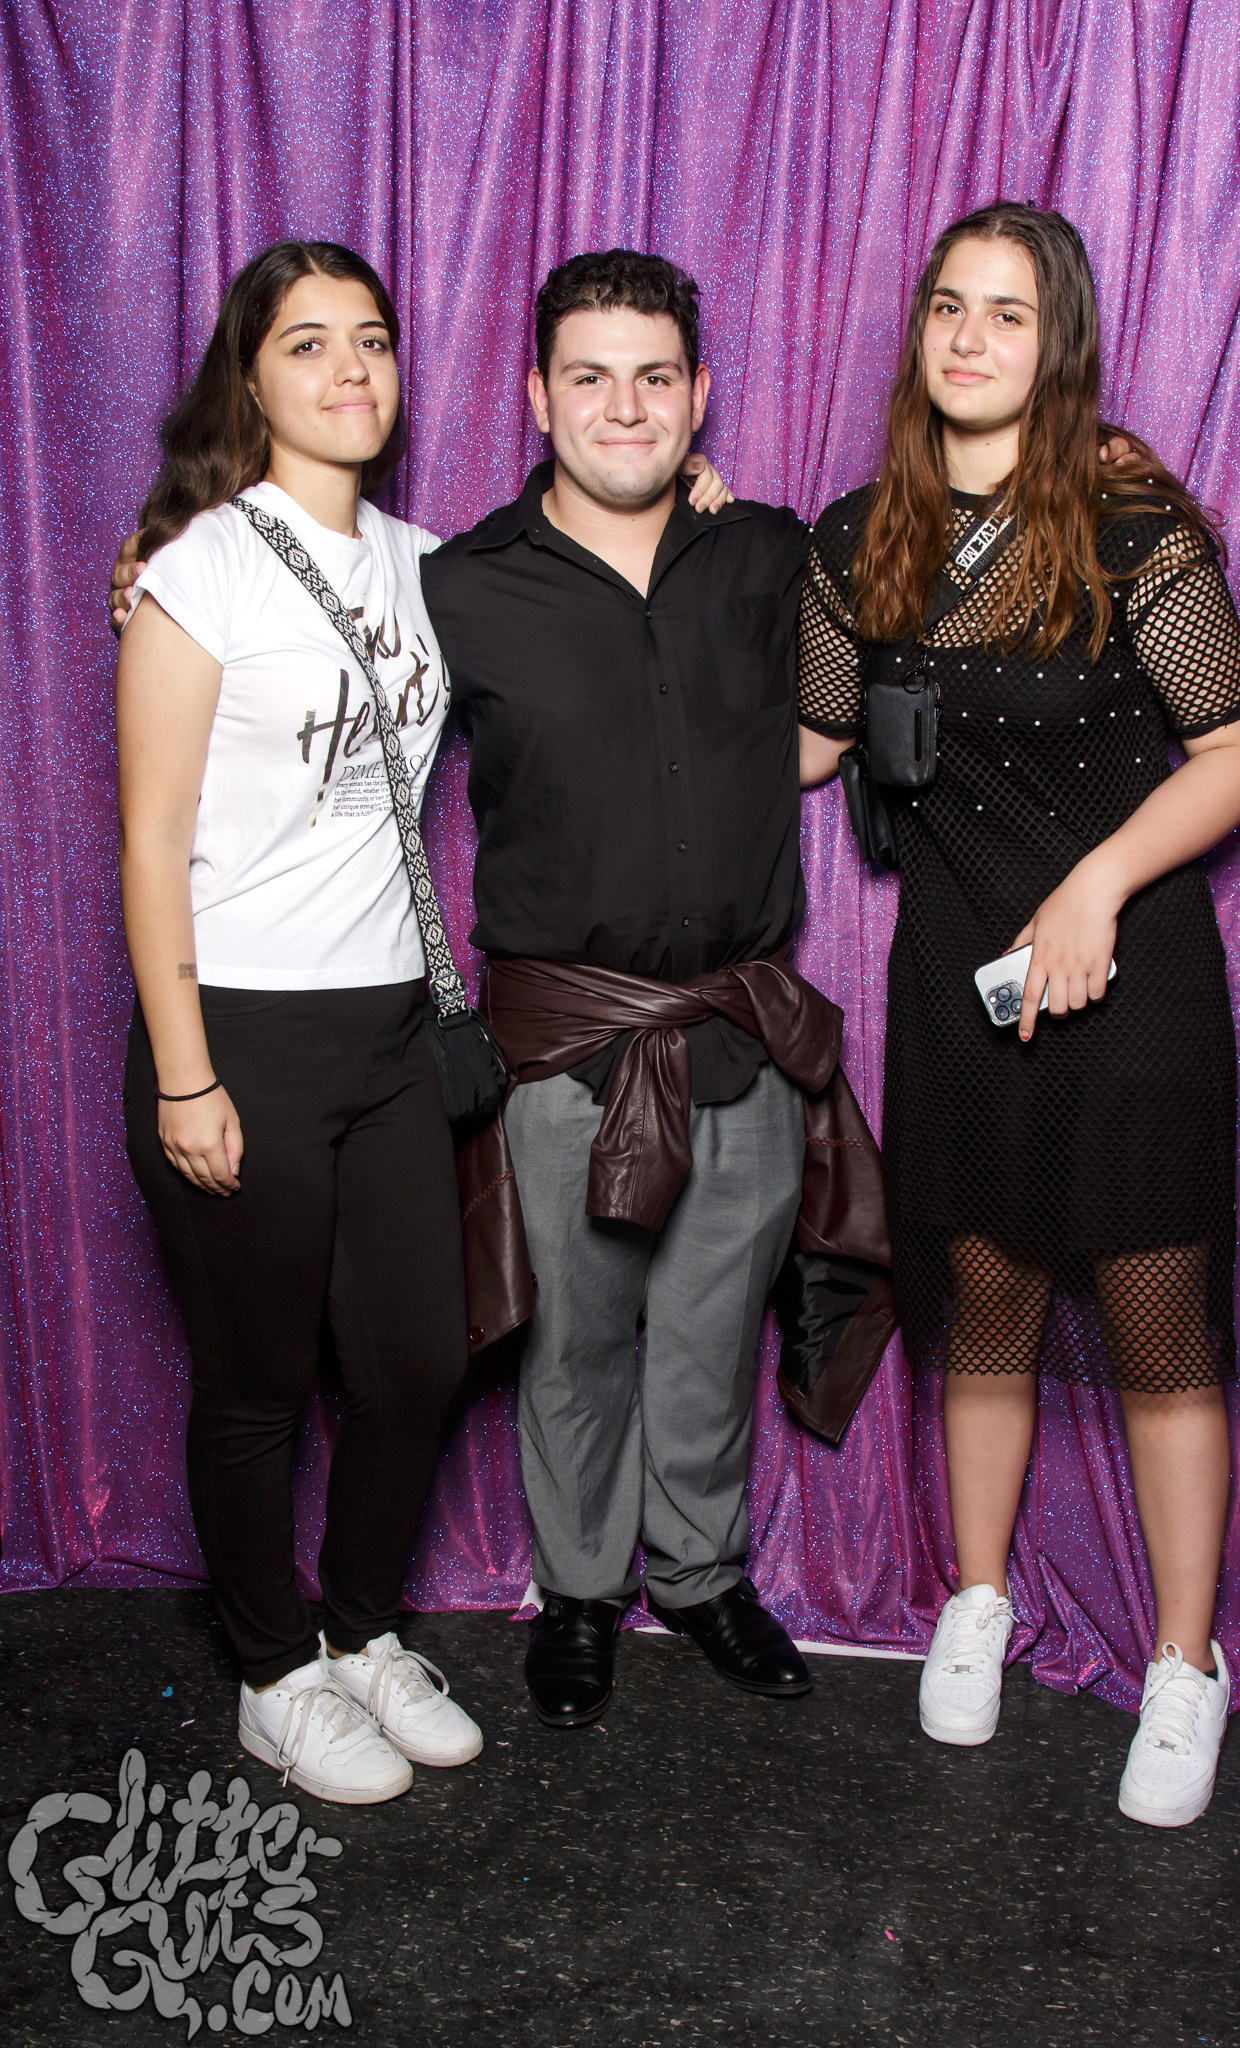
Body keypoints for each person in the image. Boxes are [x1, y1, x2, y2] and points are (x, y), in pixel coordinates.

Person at [109, 243, 735, 1782]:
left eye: (372, 340)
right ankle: (271, 1670)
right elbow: (148, 836)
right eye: (307, 343)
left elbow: (581, 583)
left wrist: (695, 502)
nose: (348, 370)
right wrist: (184, 1074)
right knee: (258, 1384)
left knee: (413, 1364)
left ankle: (358, 1630)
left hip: (395, 1030)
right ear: (249, 377)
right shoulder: (198, 569)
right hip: (239, 1029)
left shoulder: (429, 565)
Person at [797, 203, 1240, 1828]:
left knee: (1157, 1325)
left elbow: (1235, 753)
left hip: (1127, 983)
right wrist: (696, 542)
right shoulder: (859, 538)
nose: (970, 337)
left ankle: (1185, 1663)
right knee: (984, 1306)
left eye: (1007, 312)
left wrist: (1097, 884)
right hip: (959, 985)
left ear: (1056, 341)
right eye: (949, 305)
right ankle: (976, 1600)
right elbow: (805, 742)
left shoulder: (1131, 526)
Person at [419, 250, 831, 1729]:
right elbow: (313, 662)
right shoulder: (458, 582)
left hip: (736, 1026)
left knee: (715, 1328)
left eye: (654, 377)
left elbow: (899, 611)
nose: (624, 407)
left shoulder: (767, 554)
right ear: (537, 397)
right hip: (563, 1041)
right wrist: (161, 561)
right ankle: (582, 1594)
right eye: (588, 377)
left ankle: (703, 1578)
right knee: (575, 1337)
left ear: (698, 394)